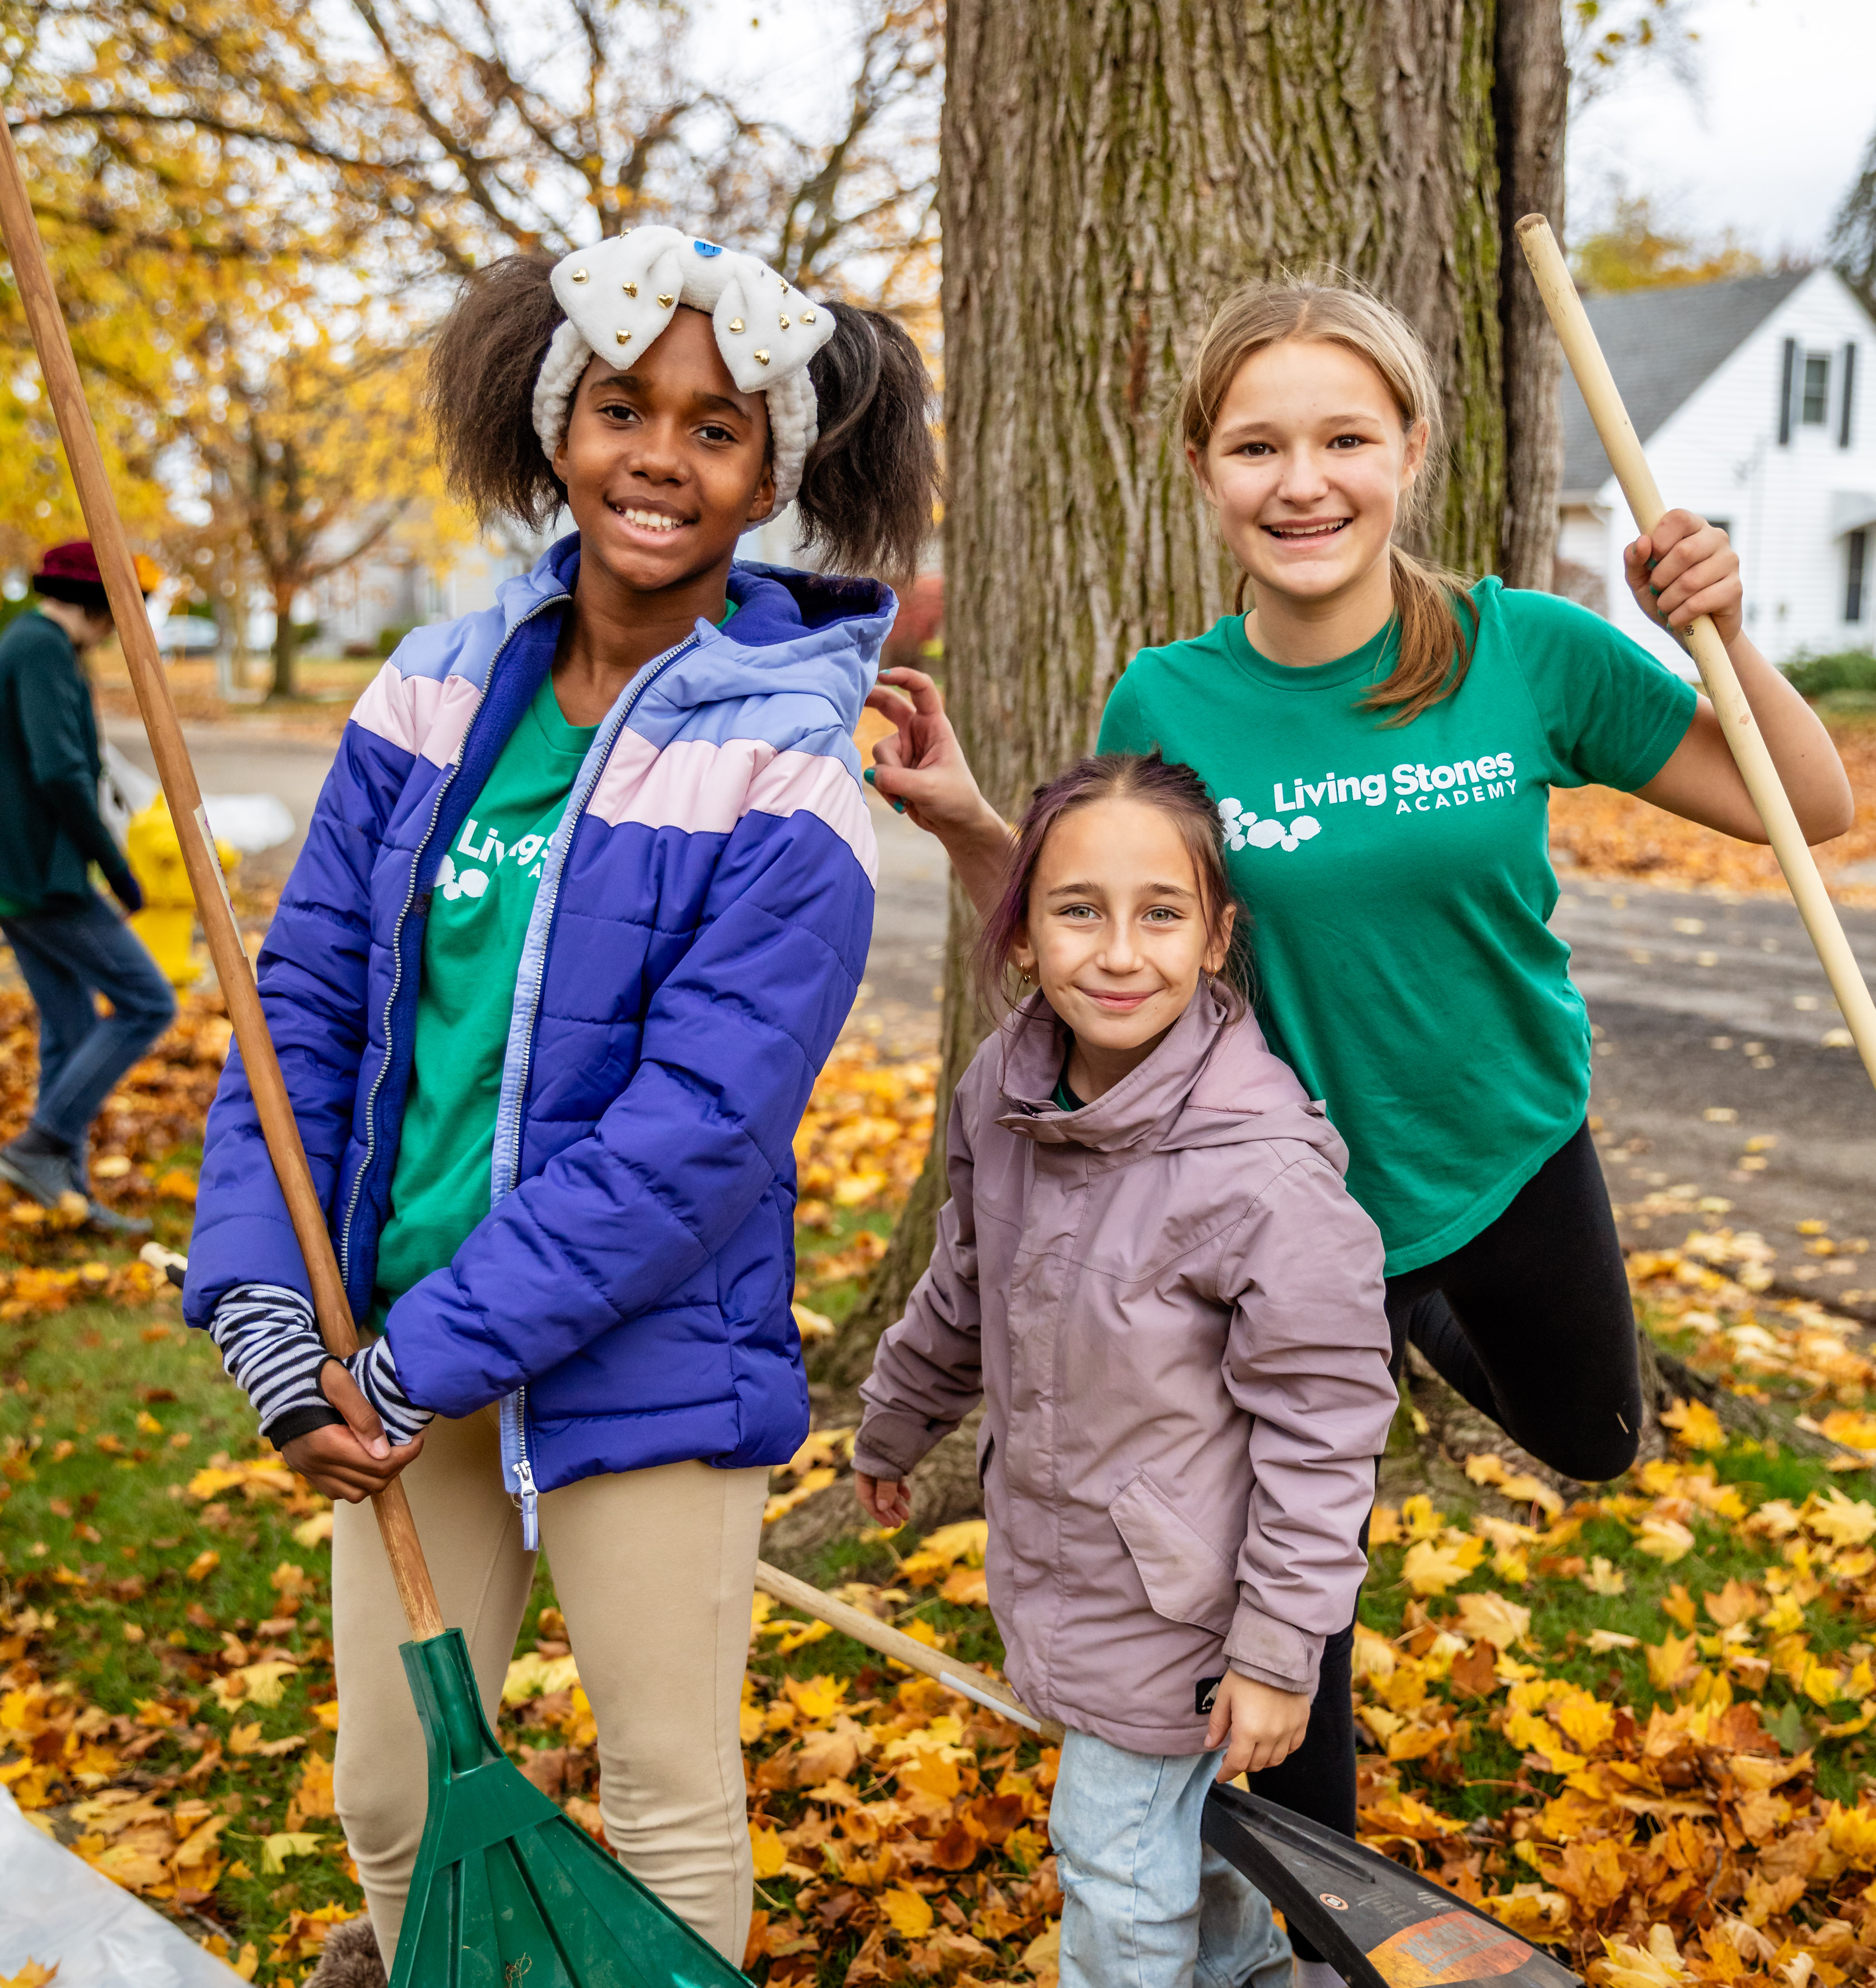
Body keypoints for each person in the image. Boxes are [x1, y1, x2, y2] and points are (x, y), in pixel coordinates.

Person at [863, 275, 1853, 1908]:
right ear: (1204, 471)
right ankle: (1315, 1914)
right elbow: (1100, 942)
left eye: (1343, 437)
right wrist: (980, 824)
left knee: (1600, 1438)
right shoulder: (1167, 705)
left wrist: (1724, 634)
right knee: (1289, 1597)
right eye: (1258, 445)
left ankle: (1425, 1356)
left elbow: (1801, 809)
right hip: (1273, 1213)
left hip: (1506, 1146)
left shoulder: (1519, 648)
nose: (1302, 480)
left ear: (1410, 450)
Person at [182, 226, 939, 1973]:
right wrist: (263, 1304)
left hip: (644, 1357)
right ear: (558, 427)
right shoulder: (432, 691)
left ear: (772, 476)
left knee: (666, 1787)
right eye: (621, 408)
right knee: (392, 1788)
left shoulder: (789, 765)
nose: (660, 456)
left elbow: (694, 1136)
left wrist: (420, 1357)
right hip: (389, 1347)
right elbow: (296, 1007)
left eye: (714, 427)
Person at [853, 753, 1395, 1988]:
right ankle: (1257, 1977)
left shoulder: (1261, 1170)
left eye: (1161, 914)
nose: (1117, 951)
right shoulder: (1005, 1087)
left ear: (1217, 940)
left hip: (1181, 1607)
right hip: (1066, 1560)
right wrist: (894, 1425)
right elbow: (963, 1284)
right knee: (1191, 1853)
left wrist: (1274, 1652)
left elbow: (1326, 1431)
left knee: (1117, 1871)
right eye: (1077, 910)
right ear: (1026, 930)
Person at [0, 539, 174, 1235]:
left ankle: (62, 1195)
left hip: (23, 873)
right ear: (101, 605)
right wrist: (117, 867)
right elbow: (60, 771)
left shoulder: (29, 643)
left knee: (71, 1027)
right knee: (147, 1001)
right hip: (41, 875)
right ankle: (40, 1148)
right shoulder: (41, 649)